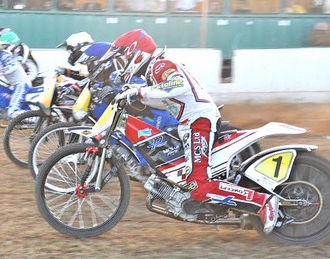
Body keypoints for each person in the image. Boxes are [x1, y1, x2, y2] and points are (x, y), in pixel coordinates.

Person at [115, 35, 280, 234]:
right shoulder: (153, 72)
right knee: (184, 178)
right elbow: (168, 100)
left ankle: (264, 201)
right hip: (191, 123)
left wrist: (140, 92)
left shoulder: (160, 66)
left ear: (137, 53)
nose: (123, 63)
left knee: (198, 187)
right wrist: (139, 95)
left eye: (124, 57)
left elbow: (179, 85)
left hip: (198, 122)